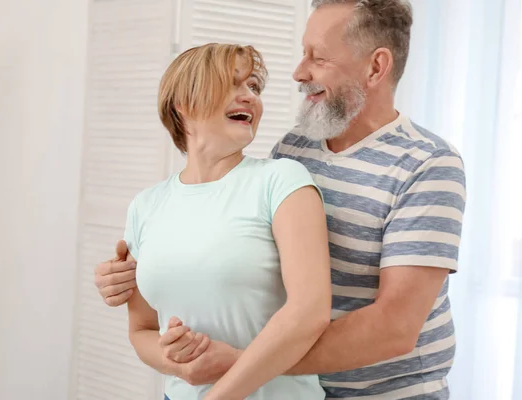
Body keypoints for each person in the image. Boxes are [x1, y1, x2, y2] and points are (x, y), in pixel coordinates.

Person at [95, 0, 466, 398]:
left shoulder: (428, 164)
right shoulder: (295, 149)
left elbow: (394, 327)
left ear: (375, 67)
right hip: (294, 385)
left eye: (318, 57)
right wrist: (136, 273)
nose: (298, 72)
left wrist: (242, 362)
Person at [118, 42, 332, 400]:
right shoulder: (146, 206)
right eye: (232, 84)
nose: (249, 96)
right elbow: (141, 329)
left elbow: (308, 313)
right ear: (183, 103)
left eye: (253, 87)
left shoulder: (282, 180)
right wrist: (177, 364)